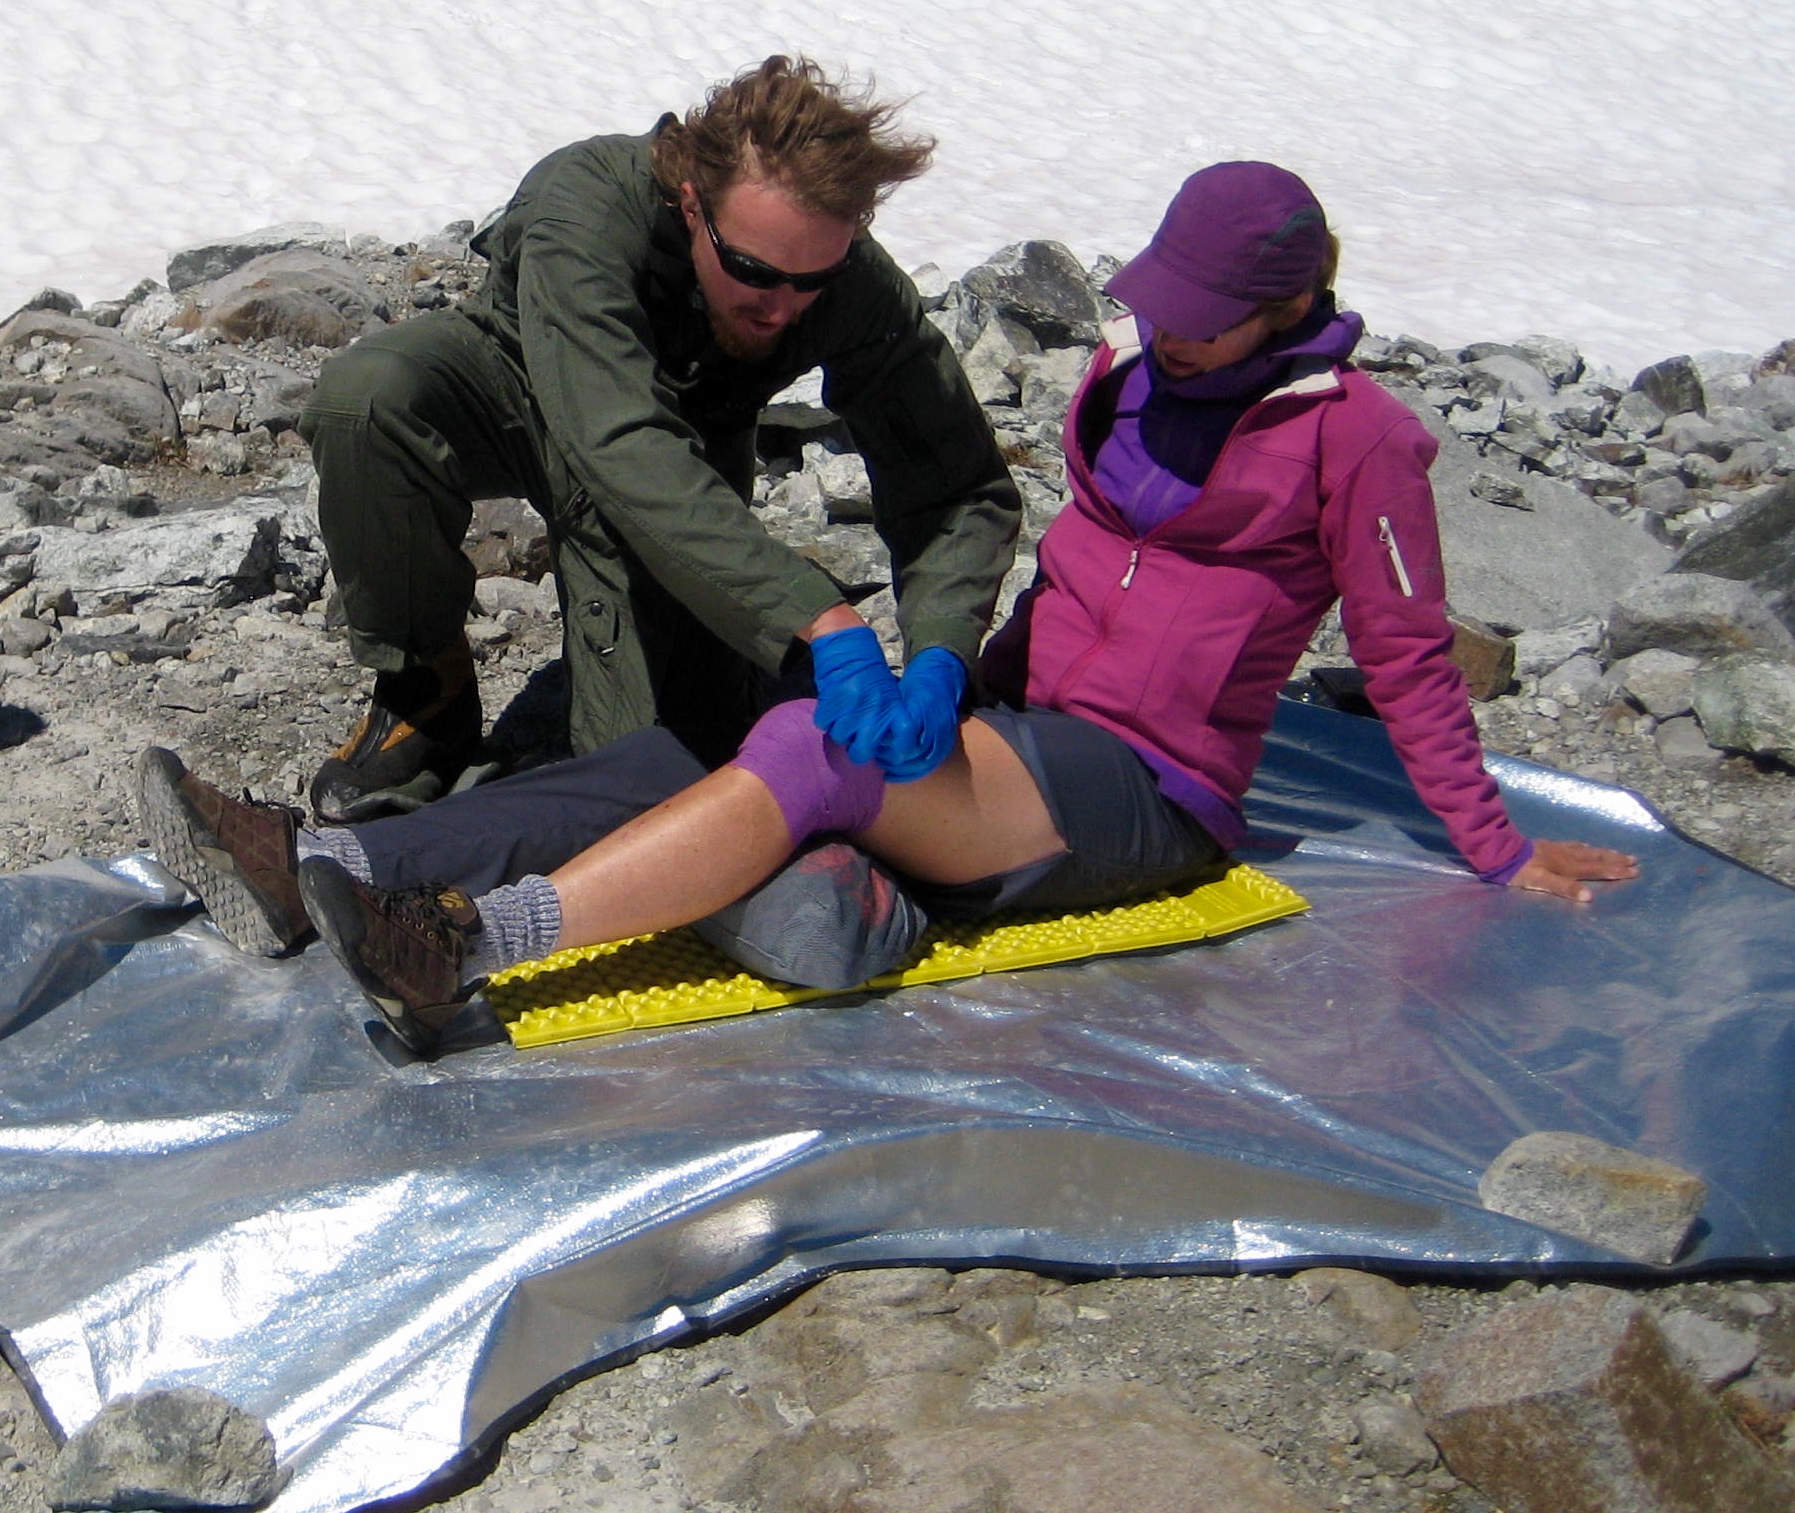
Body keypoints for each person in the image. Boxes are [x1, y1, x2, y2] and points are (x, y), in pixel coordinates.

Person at [145, 161, 1638, 1051]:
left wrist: (1496, 848)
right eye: (1157, 303)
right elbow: (1075, 582)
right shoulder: (1134, 385)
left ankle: (462, 948)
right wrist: (960, 674)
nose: (1163, 331)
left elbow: (1409, 659)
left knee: (808, 755)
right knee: (697, 750)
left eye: (1200, 315)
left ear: (1284, 304)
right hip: (1028, 733)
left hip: (1152, 793)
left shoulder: (1355, 433)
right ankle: (325, 858)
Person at [297, 55, 1021, 823]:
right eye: (753, 270)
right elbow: (622, 445)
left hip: (683, 450)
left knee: (654, 769)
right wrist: (819, 617)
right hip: (527, 389)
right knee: (369, 402)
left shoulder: (843, 281)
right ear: (690, 202)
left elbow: (959, 485)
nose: (783, 306)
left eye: (812, 281)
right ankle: (425, 699)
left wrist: (943, 650)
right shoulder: (588, 205)